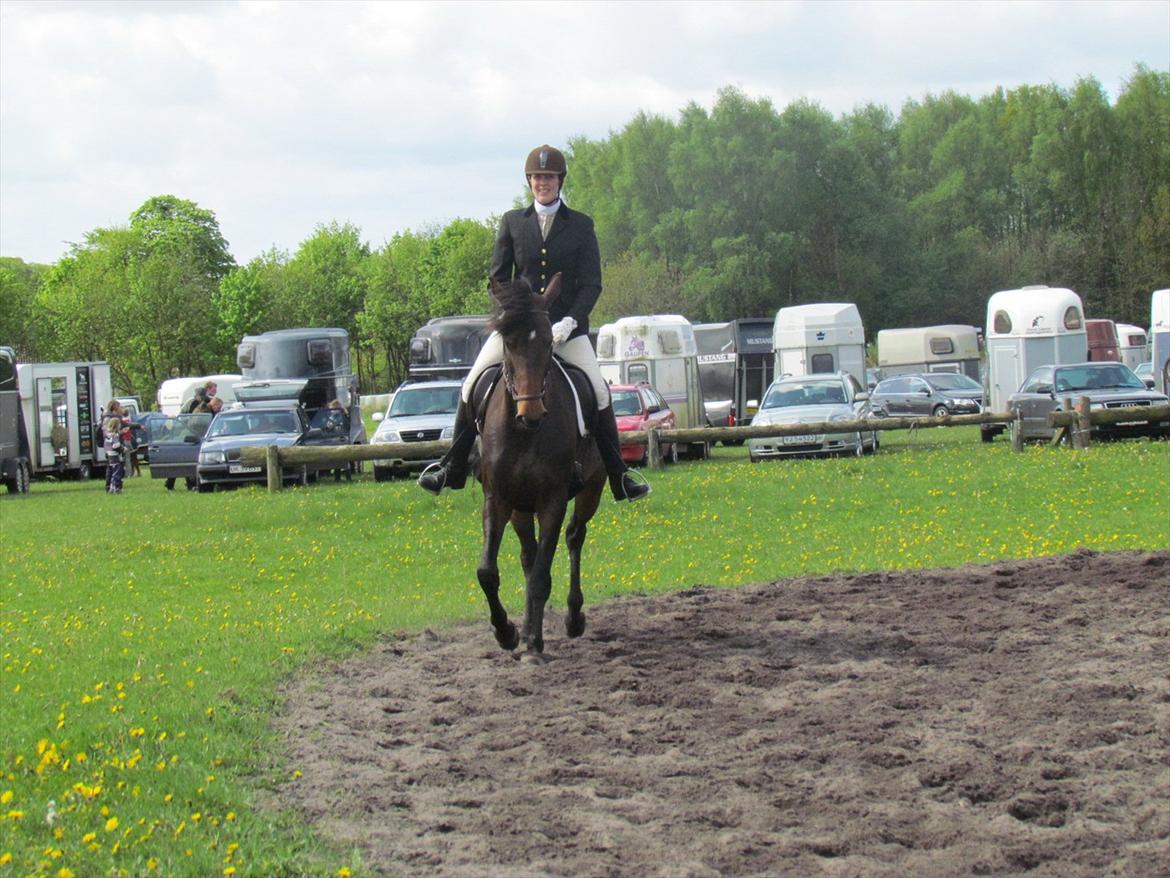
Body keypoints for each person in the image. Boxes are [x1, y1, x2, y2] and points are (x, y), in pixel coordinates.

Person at [418, 144, 649, 502]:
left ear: (560, 181)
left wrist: (570, 320)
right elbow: (497, 279)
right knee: (470, 385)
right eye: (538, 177)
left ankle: (620, 476)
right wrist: (513, 317)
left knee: (600, 393)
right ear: (530, 181)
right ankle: (452, 464)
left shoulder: (581, 225)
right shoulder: (513, 222)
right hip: (520, 333)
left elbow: (592, 283)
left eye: (550, 177)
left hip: (565, 330)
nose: (544, 183)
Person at [102, 400, 127, 494]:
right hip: (114, 455)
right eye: (119, 406)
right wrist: (123, 449)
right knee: (116, 472)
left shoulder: (109, 433)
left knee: (112, 470)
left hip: (109, 453)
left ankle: (112, 487)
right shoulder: (114, 433)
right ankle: (115, 487)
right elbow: (115, 445)